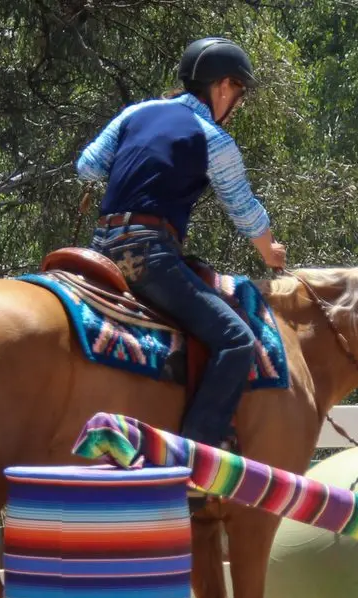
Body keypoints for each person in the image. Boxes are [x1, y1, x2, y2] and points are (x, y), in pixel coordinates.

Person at [75, 37, 286, 449]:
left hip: (101, 248)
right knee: (237, 340)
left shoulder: (135, 112)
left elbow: (88, 167)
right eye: (239, 93)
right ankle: (195, 456)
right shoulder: (213, 139)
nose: (236, 105)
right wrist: (269, 251)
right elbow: (243, 208)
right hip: (148, 255)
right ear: (223, 86)